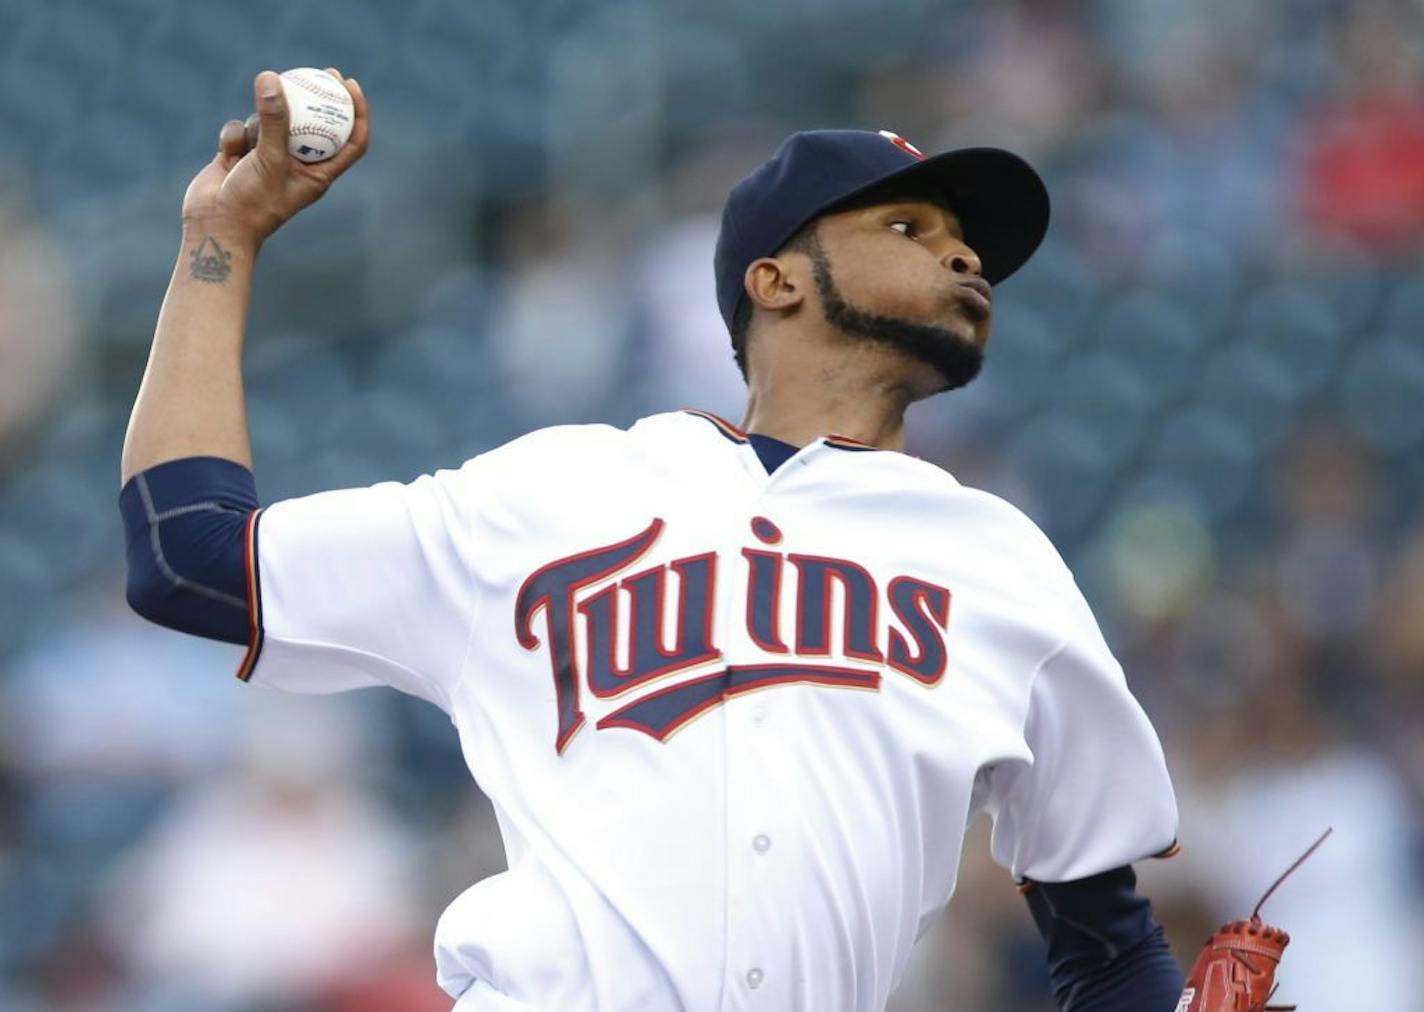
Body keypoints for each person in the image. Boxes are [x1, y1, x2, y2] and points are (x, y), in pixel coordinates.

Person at [119, 69, 1186, 1011]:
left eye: (968, 244)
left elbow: (1105, 947)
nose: (962, 254)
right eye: (907, 228)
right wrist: (220, 242)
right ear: (775, 280)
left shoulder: (1001, 564)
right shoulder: (553, 489)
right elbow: (186, 553)